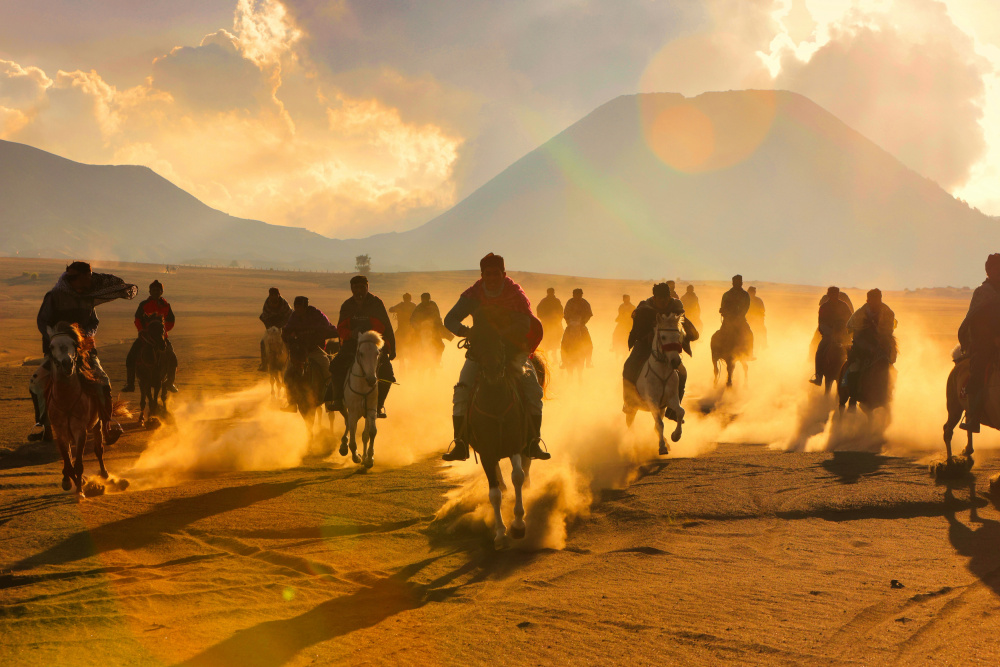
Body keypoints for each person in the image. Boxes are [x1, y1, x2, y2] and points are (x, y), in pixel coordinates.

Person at [442, 253, 548, 462]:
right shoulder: (473, 295)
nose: (491, 278)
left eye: (495, 274)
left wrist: (501, 334)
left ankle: (534, 441)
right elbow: (450, 319)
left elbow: (525, 325)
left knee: (533, 390)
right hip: (480, 353)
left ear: (503, 274)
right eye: (487, 274)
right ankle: (461, 443)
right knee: (462, 390)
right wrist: (466, 332)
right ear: (482, 275)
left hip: (512, 351)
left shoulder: (515, 294)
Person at [30, 261, 137, 444]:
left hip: (85, 351)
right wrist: (55, 337)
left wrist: (85, 335)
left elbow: (94, 321)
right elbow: (43, 321)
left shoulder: (88, 297)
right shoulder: (54, 296)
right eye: (87, 276)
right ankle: (42, 425)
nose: (90, 279)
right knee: (36, 383)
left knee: (103, 381)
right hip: (59, 351)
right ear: (77, 278)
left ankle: (107, 423)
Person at [623, 283, 699, 411]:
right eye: (660, 298)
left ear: (669, 298)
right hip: (645, 345)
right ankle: (629, 403)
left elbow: (689, 329)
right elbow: (638, 329)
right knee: (629, 366)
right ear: (654, 298)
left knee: (682, 373)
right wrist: (647, 335)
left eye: (666, 298)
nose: (663, 301)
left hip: (668, 348)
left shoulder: (676, 309)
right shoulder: (644, 309)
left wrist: (686, 336)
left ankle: (673, 408)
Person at [328, 276, 396, 418]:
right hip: (351, 345)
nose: (359, 291)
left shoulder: (376, 303)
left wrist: (392, 348)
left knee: (388, 375)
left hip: (373, 345)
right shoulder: (347, 305)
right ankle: (338, 399)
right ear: (351, 289)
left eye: (362, 287)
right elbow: (340, 329)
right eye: (356, 288)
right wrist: (351, 334)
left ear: (367, 287)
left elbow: (385, 326)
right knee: (334, 366)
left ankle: (378, 404)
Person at [957, 254, 1000, 432]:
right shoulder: (983, 293)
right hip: (985, 342)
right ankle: (973, 416)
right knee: (978, 371)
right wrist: (993, 338)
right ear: (988, 271)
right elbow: (977, 321)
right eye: (995, 268)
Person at [123, 280, 178, 393]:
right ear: (150, 291)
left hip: (161, 337)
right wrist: (142, 330)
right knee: (131, 356)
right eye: (153, 290)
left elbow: (171, 321)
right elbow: (138, 319)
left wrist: (162, 331)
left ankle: (170, 382)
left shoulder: (166, 306)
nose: (156, 292)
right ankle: (130, 383)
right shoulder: (143, 305)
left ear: (161, 291)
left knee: (172, 357)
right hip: (146, 337)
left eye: (158, 290)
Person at [281, 296, 337, 406]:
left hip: (316, 349)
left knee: (327, 370)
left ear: (305, 307)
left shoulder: (317, 315)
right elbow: (286, 331)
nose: (297, 310)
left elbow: (328, 327)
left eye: (299, 307)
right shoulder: (294, 317)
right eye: (296, 307)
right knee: (287, 375)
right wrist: (289, 338)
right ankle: (291, 402)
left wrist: (317, 336)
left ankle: (330, 399)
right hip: (299, 352)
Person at [842, 288, 897, 393]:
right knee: (855, 364)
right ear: (868, 300)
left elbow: (888, 330)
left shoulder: (887, 312)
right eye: (873, 299)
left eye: (878, 299)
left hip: (881, 341)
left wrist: (881, 338)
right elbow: (852, 327)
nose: (876, 302)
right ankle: (848, 387)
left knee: (889, 363)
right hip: (863, 340)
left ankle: (889, 390)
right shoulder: (861, 312)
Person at [809, 286, 854, 385]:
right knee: (820, 351)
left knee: (854, 352)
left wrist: (846, 332)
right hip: (829, 335)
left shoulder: (844, 306)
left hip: (843, 335)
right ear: (828, 294)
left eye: (836, 294)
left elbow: (850, 320)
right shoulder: (824, 307)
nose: (834, 296)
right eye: (832, 294)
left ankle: (854, 379)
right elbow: (821, 323)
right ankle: (819, 376)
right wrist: (829, 332)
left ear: (838, 294)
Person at [719, 274, 754, 358]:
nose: (737, 284)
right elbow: (723, 307)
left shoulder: (745, 295)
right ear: (733, 283)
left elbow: (746, 307)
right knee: (719, 335)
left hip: (740, 320)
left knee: (749, 334)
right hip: (728, 320)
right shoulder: (726, 294)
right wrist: (724, 312)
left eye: (739, 282)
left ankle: (749, 354)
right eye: (735, 282)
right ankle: (718, 352)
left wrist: (739, 316)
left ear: (741, 283)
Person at [258, 287, 291, 371]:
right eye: (271, 295)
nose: (273, 297)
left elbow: (289, 315)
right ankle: (264, 364)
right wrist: (270, 328)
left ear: (278, 295)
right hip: (271, 327)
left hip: (283, 325)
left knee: (289, 342)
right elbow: (265, 316)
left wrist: (283, 327)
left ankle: (290, 361)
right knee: (263, 343)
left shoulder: (284, 303)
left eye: (275, 295)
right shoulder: (267, 304)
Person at [563, 288, 594, 367]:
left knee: (589, 344)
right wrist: (569, 322)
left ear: (581, 295)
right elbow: (565, 313)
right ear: (573, 295)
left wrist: (583, 322)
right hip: (570, 325)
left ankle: (588, 362)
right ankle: (564, 361)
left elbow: (589, 314)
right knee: (563, 343)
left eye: (579, 295)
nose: (577, 296)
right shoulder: (570, 302)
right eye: (576, 294)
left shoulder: (585, 303)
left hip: (581, 325)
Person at [536, 287, 564, 355]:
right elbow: (539, 309)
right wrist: (542, 317)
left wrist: (558, 318)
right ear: (547, 292)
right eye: (549, 292)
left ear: (553, 292)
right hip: (546, 320)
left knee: (561, 332)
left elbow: (560, 310)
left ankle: (555, 348)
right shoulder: (544, 301)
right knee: (542, 333)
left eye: (551, 292)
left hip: (555, 321)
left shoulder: (556, 301)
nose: (550, 293)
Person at [747, 286, 767, 350]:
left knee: (763, 330)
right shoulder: (745, 300)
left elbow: (763, 310)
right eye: (752, 292)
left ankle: (764, 344)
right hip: (748, 321)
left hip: (757, 321)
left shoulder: (758, 300)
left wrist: (759, 317)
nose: (753, 293)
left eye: (754, 292)